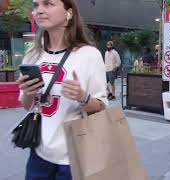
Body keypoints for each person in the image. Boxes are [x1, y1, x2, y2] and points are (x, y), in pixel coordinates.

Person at [16, 0, 107, 179]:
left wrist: (83, 97)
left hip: (74, 157)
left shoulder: (89, 55)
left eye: (48, 4)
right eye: (36, 5)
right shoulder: (32, 55)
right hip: (39, 153)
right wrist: (29, 93)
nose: (39, 10)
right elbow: (28, 107)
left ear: (69, 13)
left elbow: (101, 106)